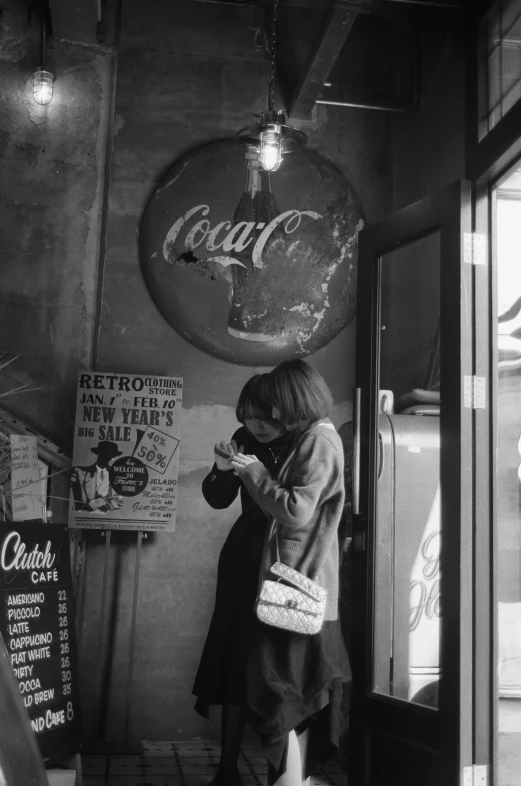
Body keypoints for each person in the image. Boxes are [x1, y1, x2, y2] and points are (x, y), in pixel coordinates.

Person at [230, 359, 351, 786]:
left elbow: (296, 511)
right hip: (296, 590)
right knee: (288, 705)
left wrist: (253, 471)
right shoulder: (315, 439)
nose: (273, 416)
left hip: (298, 593)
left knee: (282, 702)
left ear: (296, 400)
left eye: (276, 405)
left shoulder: (319, 442)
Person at [192, 374, 293, 786]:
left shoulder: (304, 441)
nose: (256, 427)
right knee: (235, 655)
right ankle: (227, 768)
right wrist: (221, 467)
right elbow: (218, 499)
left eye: (263, 417)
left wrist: (255, 471)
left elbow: (299, 505)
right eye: (248, 418)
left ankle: (282, 773)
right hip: (242, 556)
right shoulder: (242, 438)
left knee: (280, 661)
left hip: (287, 557)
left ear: (282, 410)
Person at [71, 440, 124, 512]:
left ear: (113, 457)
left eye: (110, 455)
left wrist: (101, 502)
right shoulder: (79, 472)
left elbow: (119, 502)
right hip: (83, 516)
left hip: (106, 518)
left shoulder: (116, 475)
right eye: (104, 454)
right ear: (99, 454)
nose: (108, 457)